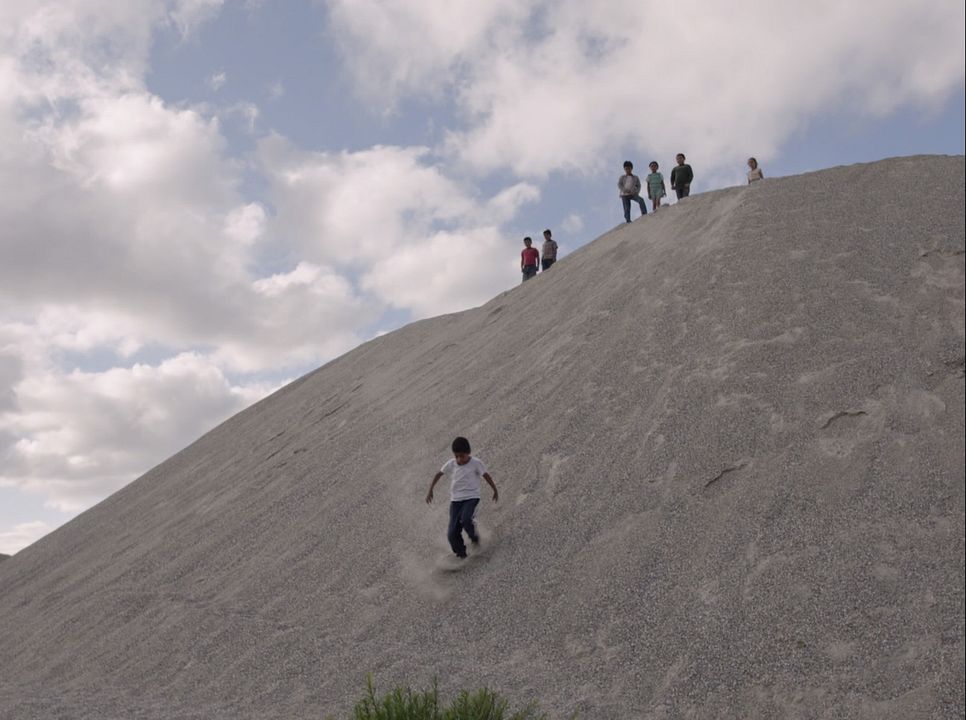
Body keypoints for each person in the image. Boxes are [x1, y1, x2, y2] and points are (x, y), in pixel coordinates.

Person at [426, 436, 499, 559]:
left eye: (462, 456)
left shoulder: (476, 463)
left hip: (471, 498)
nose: (459, 459)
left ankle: (474, 539)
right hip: (455, 501)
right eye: (456, 456)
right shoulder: (451, 464)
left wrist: (495, 490)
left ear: (468, 452)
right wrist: (430, 490)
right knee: (451, 533)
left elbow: (486, 476)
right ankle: (461, 555)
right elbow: (438, 474)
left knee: (465, 519)